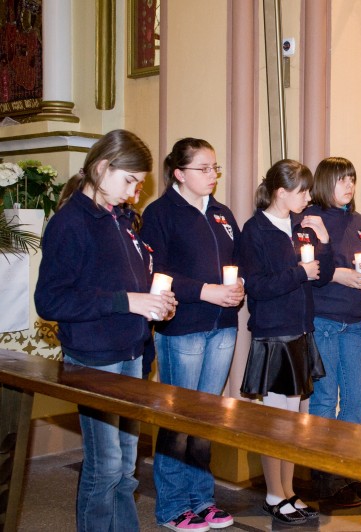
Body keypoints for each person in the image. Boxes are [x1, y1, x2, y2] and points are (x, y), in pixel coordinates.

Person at [34, 129, 176, 532]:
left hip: (131, 352)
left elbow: (129, 282)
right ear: (101, 167)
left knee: (127, 464)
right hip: (95, 359)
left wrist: (154, 300)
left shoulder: (123, 220)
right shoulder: (71, 223)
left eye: (139, 184)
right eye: (129, 181)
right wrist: (127, 302)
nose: (134, 193)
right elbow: (51, 301)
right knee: (105, 466)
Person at [141, 138, 243, 531]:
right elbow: (157, 272)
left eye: (215, 167)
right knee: (178, 416)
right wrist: (206, 291)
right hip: (183, 326)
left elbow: (238, 261)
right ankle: (171, 505)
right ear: (179, 173)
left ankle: (202, 499)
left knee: (207, 416)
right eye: (204, 168)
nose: (213, 175)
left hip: (222, 325)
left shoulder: (221, 213)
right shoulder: (161, 213)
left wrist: (237, 286)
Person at [239, 159, 333, 526]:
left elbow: (320, 277)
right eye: (303, 191)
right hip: (274, 332)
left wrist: (323, 241)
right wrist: (299, 272)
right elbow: (257, 286)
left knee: (297, 418)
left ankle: (289, 491)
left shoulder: (301, 225)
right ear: (281, 192)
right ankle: (274, 495)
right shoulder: (255, 230)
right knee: (277, 420)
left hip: (300, 327)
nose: (309, 198)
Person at [306, 156, 361, 506]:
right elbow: (308, 267)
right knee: (323, 399)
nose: (348, 186)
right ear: (324, 183)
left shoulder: (359, 219)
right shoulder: (311, 219)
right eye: (341, 180)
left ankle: (342, 465)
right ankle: (322, 475)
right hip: (325, 320)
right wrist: (339, 275)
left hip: (354, 321)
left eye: (351, 179)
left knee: (357, 399)